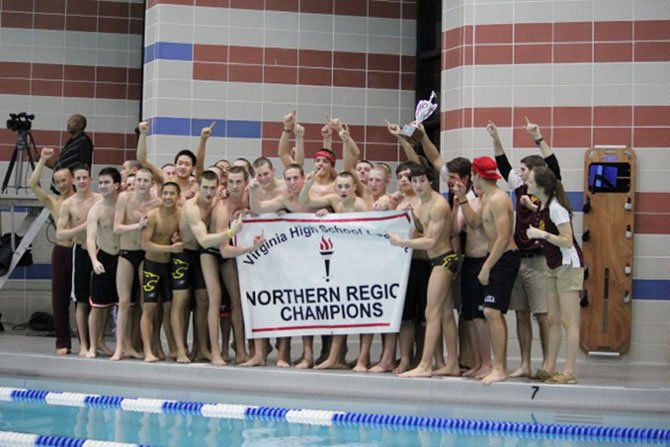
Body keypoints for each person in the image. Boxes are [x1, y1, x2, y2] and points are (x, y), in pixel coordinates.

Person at [489, 117, 562, 379]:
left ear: (533, 170)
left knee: (543, 315)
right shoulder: (519, 186)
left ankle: (547, 364)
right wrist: (496, 138)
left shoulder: (547, 188)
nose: (518, 173)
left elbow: (553, 165)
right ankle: (525, 364)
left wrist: (538, 137)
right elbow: (502, 164)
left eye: (522, 169)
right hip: (519, 258)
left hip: (540, 260)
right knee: (521, 313)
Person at [388, 164, 460, 378]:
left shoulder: (438, 205)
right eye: (414, 181)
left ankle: (425, 364)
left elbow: (431, 241)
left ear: (431, 182)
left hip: (444, 259)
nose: (417, 186)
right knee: (446, 315)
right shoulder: (420, 203)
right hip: (436, 260)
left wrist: (403, 242)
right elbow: (422, 230)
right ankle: (453, 364)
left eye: (421, 181)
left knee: (431, 312)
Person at [454, 156, 520, 384]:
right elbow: (473, 223)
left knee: (492, 312)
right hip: (495, 258)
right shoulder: (486, 197)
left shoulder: (499, 199)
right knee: (490, 312)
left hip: (504, 257)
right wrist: (462, 199)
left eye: (472, 175)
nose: (471, 179)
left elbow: (504, 237)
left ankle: (499, 367)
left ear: (478, 176)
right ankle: (496, 366)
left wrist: (486, 267)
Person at [180, 170, 245, 365]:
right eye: (205, 187)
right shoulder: (192, 208)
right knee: (198, 301)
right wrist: (231, 232)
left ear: (219, 187)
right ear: (198, 186)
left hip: (216, 249)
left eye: (213, 188)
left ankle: (239, 350)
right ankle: (209, 351)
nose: (209, 192)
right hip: (192, 251)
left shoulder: (219, 197)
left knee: (231, 298)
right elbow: (204, 240)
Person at [526, 166, 584, 384]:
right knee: (552, 319)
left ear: (541, 186)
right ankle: (549, 367)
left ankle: (568, 372)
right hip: (552, 265)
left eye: (530, 181)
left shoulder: (556, 208)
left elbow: (567, 240)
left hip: (568, 265)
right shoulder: (543, 205)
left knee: (569, 321)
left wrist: (541, 234)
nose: (527, 183)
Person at [207, 167, 265, 366]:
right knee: (214, 300)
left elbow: (260, 211)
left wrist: (249, 208)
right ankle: (215, 351)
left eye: (238, 182)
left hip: (235, 252)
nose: (234, 186)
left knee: (238, 301)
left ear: (245, 181)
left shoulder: (249, 197)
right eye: (230, 182)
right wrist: (250, 247)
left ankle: (241, 350)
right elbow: (223, 250)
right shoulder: (222, 208)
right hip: (215, 253)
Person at [29, 147, 75, 355]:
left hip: (81, 252)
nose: (61, 184)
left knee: (84, 299)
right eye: (57, 182)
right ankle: (62, 341)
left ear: (72, 180)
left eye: (64, 180)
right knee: (60, 298)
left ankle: (91, 341)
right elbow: (32, 184)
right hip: (62, 252)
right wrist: (42, 160)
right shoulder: (54, 203)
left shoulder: (85, 201)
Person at [111, 167, 160, 361]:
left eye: (145, 181)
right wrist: (137, 225)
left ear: (151, 184)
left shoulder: (156, 203)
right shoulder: (124, 198)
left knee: (145, 303)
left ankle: (143, 347)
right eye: (138, 180)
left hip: (146, 254)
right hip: (126, 253)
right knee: (123, 302)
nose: (141, 184)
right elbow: (116, 228)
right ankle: (119, 347)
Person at [56, 164, 101, 356]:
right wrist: (82, 227)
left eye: (85, 177)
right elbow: (60, 233)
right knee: (82, 301)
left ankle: (96, 343)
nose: (82, 181)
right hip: (80, 253)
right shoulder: (69, 204)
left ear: (91, 179)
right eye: (79, 178)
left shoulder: (100, 200)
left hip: (101, 252)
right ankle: (83, 344)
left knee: (99, 301)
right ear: (73, 181)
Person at [141, 182, 184, 363]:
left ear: (178, 196)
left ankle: (174, 349)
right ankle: (148, 350)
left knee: (169, 309)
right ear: (160, 194)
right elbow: (144, 244)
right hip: (152, 265)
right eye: (165, 193)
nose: (167, 197)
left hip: (168, 267)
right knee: (149, 309)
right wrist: (170, 247)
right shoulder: (152, 216)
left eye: (171, 193)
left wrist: (177, 240)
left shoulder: (180, 215)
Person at [85, 167, 121, 358]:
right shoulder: (96, 210)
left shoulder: (124, 205)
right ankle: (93, 346)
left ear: (117, 185)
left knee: (120, 305)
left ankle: (117, 345)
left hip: (122, 258)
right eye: (101, 183)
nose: (103, 186)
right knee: (98, 306)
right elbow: (90, 238)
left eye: (107, 182)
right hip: (104, 257)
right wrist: (94, 260)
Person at [48, 114, 93, 179]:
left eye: (73, 121)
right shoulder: (69, 143)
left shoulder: (84, 141)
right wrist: (42, 160)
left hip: (71, 185)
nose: (69, 124)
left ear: (81, 125)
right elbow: (57, 165)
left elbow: (84, 166)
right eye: (68, 121)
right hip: (60, 184)